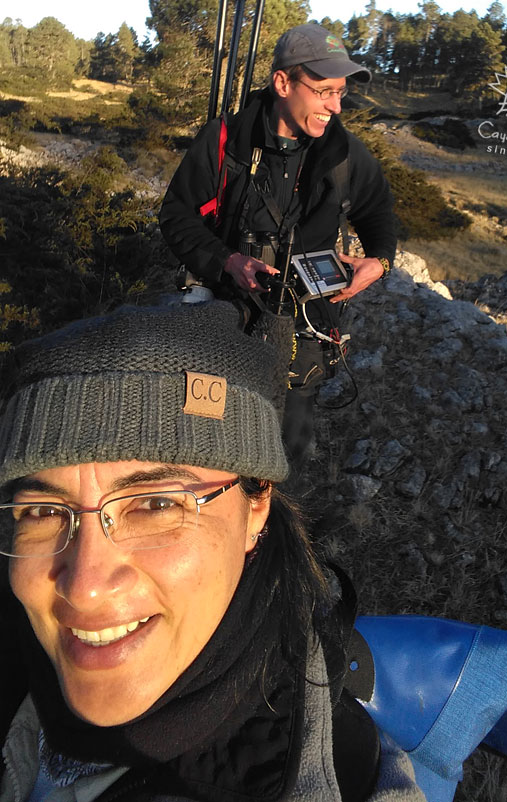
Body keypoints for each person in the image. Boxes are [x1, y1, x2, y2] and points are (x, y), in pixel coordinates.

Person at [0, 301, 424, 802]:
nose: (85, 584)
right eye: (44, 512)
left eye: (156, 504)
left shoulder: (340, 780)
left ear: (257, 504)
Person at [159, 23, 397, 469]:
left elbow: (379, 213)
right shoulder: (224, 141)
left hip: (304, 328)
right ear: (283, 83)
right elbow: (177, 216)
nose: (335, 106)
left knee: (286, 455)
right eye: (324, 91)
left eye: (341, 93)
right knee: (206, 442)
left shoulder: (345, 154)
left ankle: (270, 527)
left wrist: (379, 262)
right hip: (223, 317)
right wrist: (225, 260)